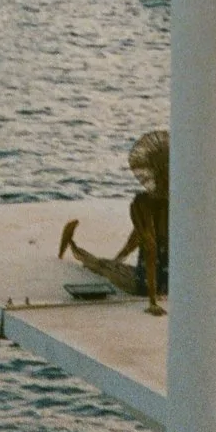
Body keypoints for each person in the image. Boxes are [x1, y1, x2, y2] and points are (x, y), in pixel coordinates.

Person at [57, 129, 169, 314]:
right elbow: (143, 241)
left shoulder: (143, 203)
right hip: (174, 282)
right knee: (106, 265)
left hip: (149, 284)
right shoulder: (175, 204)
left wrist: (152, 301)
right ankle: (72, 245)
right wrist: (120, 257)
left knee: (101, 266)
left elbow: (148, 244)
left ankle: (71, 245)